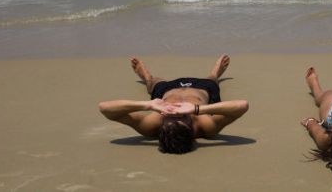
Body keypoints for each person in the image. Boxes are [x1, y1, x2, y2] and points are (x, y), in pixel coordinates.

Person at [98, 55, 249, 154]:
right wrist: (196, 109)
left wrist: (149, 105)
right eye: (182, 116)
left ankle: (145, 76)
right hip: (202, 90)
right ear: (191, 127)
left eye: (169, 116)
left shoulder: (151, 125)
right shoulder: (206, 126)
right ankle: (216, 73)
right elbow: (242, 105)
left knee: (153, 83)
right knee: (212, 81)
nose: (175, 110)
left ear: (162, 125)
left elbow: (105, 108)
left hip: (166, 91)